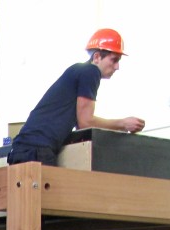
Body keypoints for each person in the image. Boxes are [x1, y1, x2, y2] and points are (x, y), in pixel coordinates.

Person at [8, 28, 145, 167]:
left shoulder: (78, 71)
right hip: (36, 150)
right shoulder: (90, 72)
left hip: (23, 149)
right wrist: (123, 124)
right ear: (97, 57)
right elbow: (85, 122)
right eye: (114, 60)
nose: (117, 67)